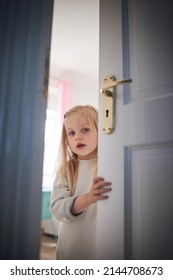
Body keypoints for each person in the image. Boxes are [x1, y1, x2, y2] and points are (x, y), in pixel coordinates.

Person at [50, 105, 111, 259]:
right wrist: (87, 199)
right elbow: (57, 208)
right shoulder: (66, 169)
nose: (78, 137)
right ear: (67, 140)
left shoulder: (109, 164)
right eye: (71, 133)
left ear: (100, 131)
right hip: (72, 248)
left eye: (85, 130)